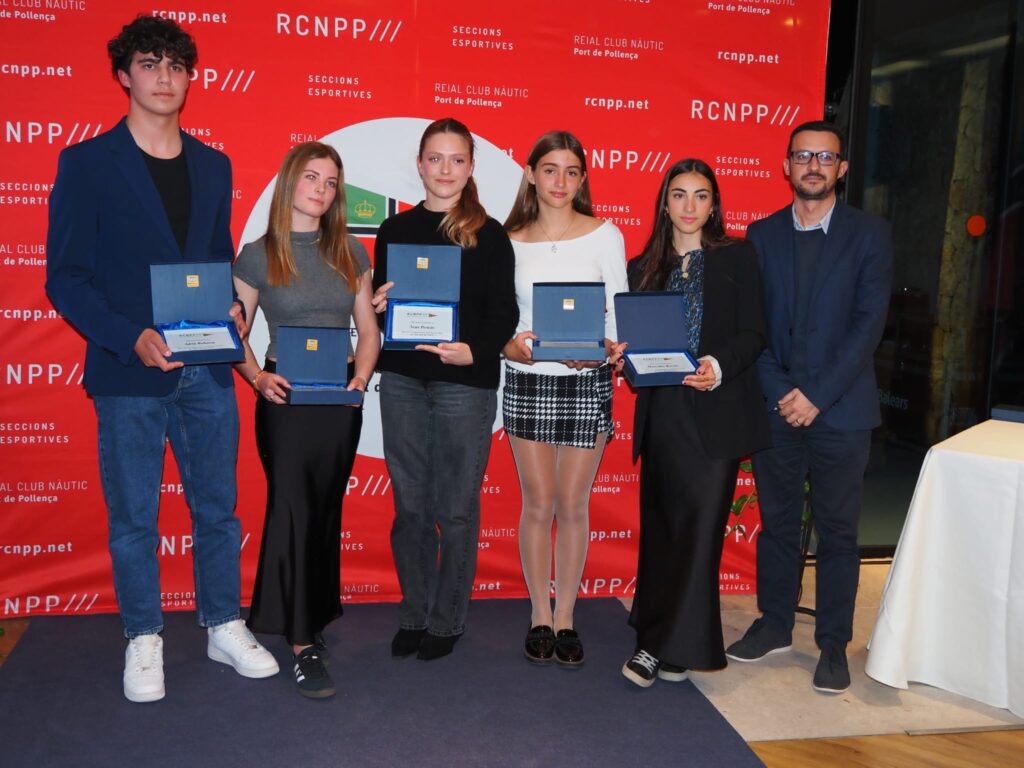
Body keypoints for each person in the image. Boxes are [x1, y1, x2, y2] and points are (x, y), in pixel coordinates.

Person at [45, 15, 278, 704]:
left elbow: (212, 261)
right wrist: (129, 337)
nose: (165, 77)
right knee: (134, 520)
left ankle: (223, 623)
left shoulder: (214, 165)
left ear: (190, 77)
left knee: (218, 510)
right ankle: (143, 634)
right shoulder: (87, 163)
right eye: (150, 64)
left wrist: (231, 309)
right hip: (128, 371)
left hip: (207, 368)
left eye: (176, 65)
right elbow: (66, 278)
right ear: (124, 75)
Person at [726, 121, 892, 694]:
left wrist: (817, 395)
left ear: (841, 168)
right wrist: (782, 392)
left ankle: (833, 643)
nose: (813, 166)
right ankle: (774, 624)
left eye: (825, 157)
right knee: (777, 524)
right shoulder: (761, 235)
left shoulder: (870, 235)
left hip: (841, 411)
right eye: (803, 156)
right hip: (777, 407)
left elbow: (868, 326)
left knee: (838, 532)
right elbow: (754, 326)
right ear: (786, 166)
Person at [232, 142, 379, 698]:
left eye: (331, 182)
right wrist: (256, 378)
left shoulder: (350, 251)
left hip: (339, 402)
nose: (322, 189)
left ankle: (309, 614)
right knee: (292, 507)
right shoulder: (257, 254)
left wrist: (360, 379)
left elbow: (369, 330)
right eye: (312, 177)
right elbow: (234, 331)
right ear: (290, 181)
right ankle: (300, 643)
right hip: (285, 401)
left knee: (322, 508)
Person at [370, 118, 518, 661]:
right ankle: (413, 613)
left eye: (457, 159)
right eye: (435, 158)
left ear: (471, 167)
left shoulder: (491, 233)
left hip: (465, 383)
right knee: (411, 506)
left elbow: (504, 312)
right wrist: (377, 304)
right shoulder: (394, 230)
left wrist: (474, 350)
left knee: (455, 509)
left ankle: (448, 618)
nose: (445, 169)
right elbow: (381, 307)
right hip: (403, 380)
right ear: (420, 164)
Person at [619, 159, 771, 688]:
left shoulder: (738, 257)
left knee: (700, 534)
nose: (689, 206)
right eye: (679, 194)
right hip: (664, 414)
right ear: (665, 203)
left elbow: (755, 333)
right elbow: (634, 344)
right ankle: (654, 641)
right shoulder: (642, 268)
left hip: (716, 411)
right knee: (663, 532)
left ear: (713, 205)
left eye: (700, 195)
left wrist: (717, 367)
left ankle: (670, 647)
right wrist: (624, 355)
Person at [501, 131, 627, 667]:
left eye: (572, 171)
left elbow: (619, 310)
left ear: (582, 179)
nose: (560, 181)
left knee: (573, 503)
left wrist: (604, 351)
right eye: (550, 169)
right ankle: (539, 615)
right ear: (531, 174)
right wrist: (510, 345)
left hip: (587, 383)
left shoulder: (605, 234)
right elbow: (497, 317)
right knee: (538, 502)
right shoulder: (506, 239)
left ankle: (567, 618)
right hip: (528, 380)